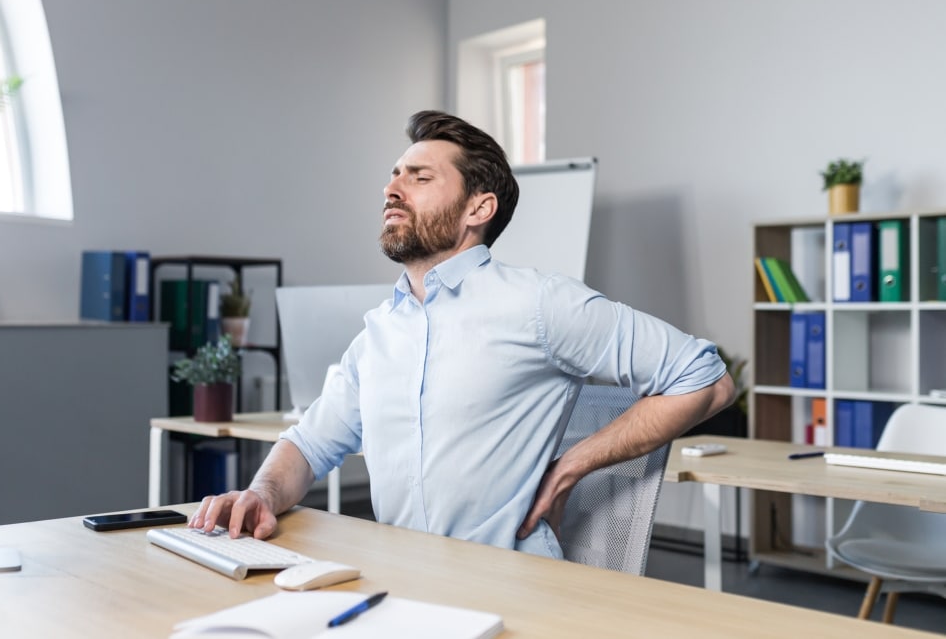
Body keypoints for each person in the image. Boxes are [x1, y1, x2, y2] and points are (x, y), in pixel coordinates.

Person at [191, 110, 735, 558]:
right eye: (394, 175)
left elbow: (706, 379)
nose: (392, 188)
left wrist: (574, 463)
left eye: (419, 177)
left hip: (509, 590)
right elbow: (309, 444)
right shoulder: (380, 332)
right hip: (403, 585)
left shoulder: (539, 303)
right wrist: (262, 492)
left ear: (479, 207)